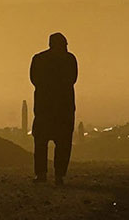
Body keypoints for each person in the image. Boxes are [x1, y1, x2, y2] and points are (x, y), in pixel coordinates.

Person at [30, 32, 78, 185]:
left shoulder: (39, 59)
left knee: (41, 143)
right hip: (63, 109)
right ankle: (59, 175)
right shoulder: (70, 60)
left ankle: (42, 174)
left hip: (45, 108)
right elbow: (72, 79)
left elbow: (34, 79)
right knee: (62, 143)